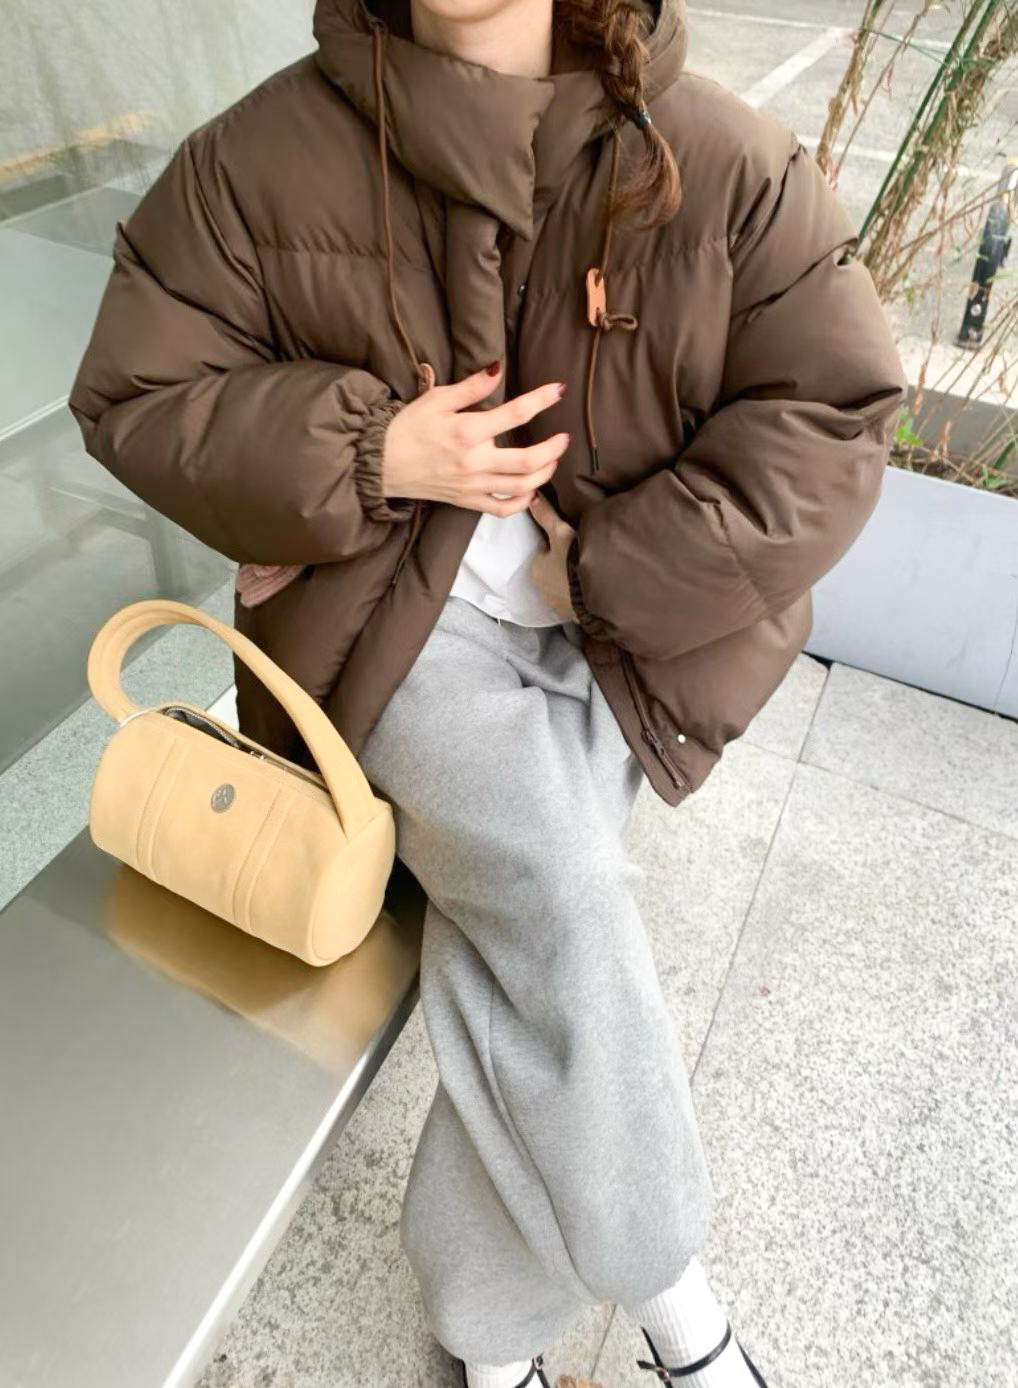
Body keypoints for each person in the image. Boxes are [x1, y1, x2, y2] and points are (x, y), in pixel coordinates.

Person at [67, 0, 908, 1382]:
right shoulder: (254, 155)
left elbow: (833, 410)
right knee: (560, 890)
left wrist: (613, 574)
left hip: (624, 640)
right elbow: (136, 393)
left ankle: (486, 1333)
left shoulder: (720, 159)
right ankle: (676, 1298)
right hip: (392, 633)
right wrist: (369, 453)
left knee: (517, 944)